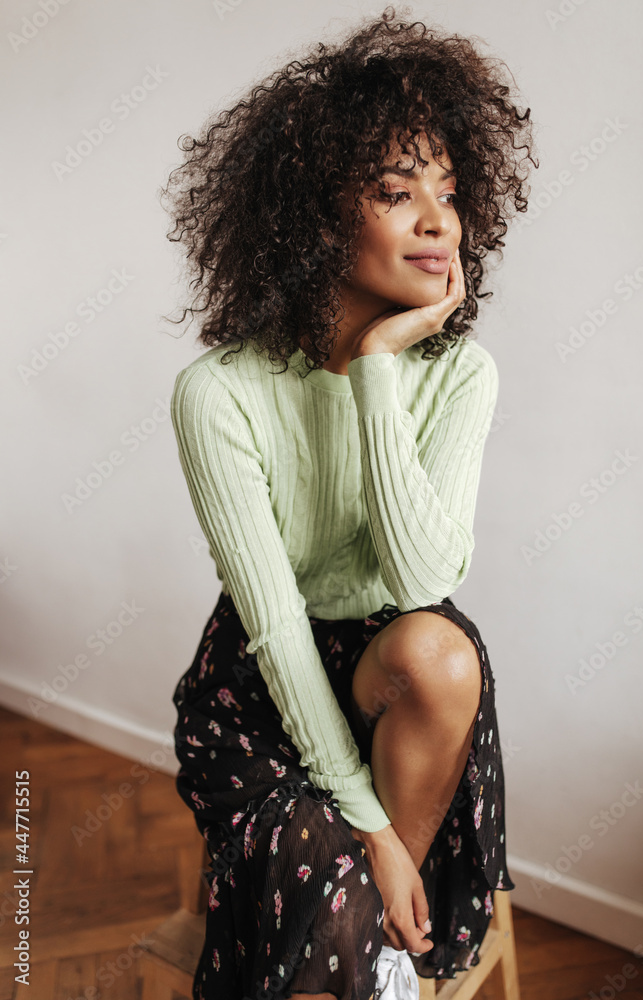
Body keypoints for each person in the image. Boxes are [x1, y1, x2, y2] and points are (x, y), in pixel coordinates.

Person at [161, 6, 536, 999]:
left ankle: (371, 952)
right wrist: (372, 830)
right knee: (323, 884)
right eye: (394, 192)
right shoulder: (221, 392)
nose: (435, 221)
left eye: (447, 195)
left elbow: (423, 580)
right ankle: (380, 958)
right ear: (316, 214)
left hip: (391, 671)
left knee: (439, 646)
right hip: (261, 687)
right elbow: (276, 624)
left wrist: (375, 368)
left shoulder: (461, 377)